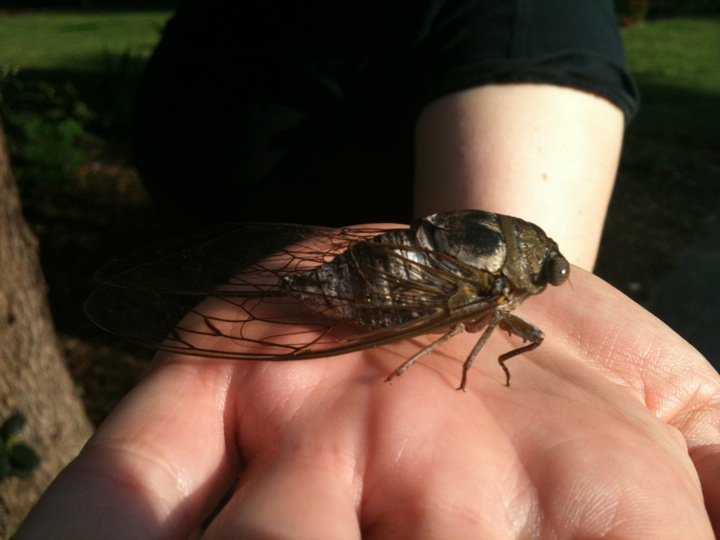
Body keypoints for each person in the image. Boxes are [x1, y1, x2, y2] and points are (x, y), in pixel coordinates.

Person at [21, 1, 720, 537]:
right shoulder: (497, 294)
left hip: (325, 315)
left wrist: (477, 377)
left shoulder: (518, 17)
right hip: (351, 298)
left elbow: (530, 68)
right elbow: (468, 320)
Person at [18, 265, 719, 537]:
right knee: (440, 324)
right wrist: (437, 356)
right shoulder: (500, 295)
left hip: (386, 260)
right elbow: (463, 328)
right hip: (383, 293)